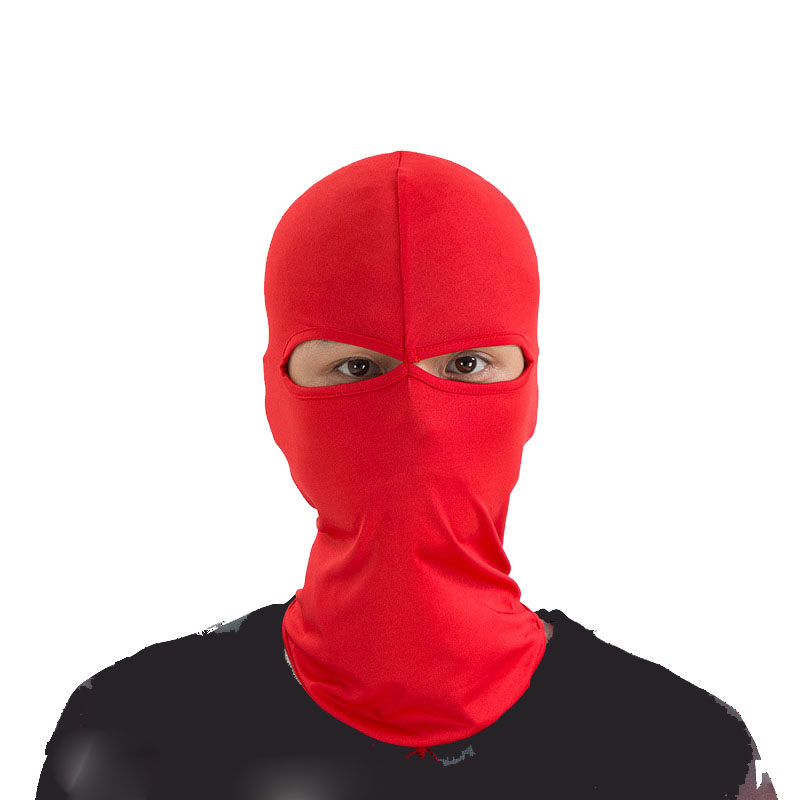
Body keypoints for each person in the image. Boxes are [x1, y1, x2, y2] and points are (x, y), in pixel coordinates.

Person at [34, 150, 778, 799]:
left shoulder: (688, 756)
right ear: (275, 395)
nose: (418, 419)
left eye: (466, 364)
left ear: (532, 389)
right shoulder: (126, 744)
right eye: (357, 367)